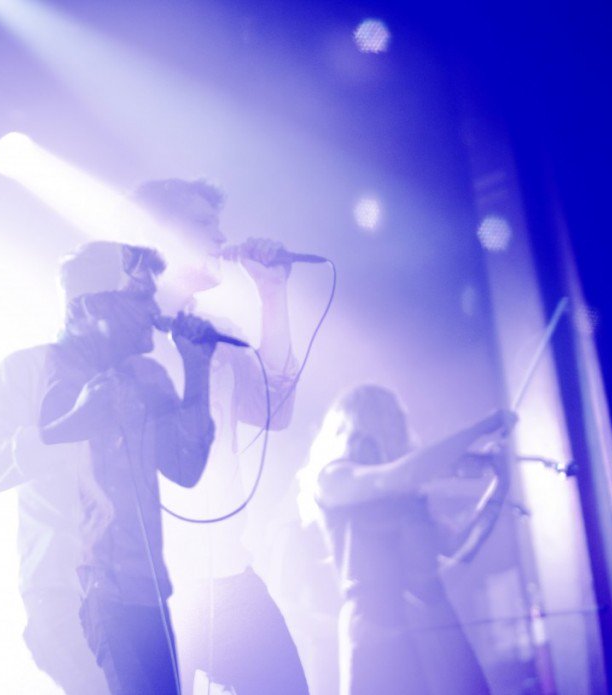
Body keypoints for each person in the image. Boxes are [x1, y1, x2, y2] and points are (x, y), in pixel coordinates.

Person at [0, 240, 216, 695]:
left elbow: (185, 467)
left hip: (146, 595)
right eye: (138, 295)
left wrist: (197, 371)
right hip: (68, 595)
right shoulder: (25, 370)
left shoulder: (148, 377)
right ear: (87, 308)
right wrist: (68, 426)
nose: (152, 309)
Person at [132, 179, 309, 694]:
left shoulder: (216, 327)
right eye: (202, 223)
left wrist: (272, 294)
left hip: (228, 574)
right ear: (155, 234)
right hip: (150, 582)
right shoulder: (122, 333)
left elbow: (276, 412)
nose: (220, 236)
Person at [301, 384, 516, 694]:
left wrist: (499, 488)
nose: (399, 427)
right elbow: (397, 476)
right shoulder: (333, 478)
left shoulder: (405, 491)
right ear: (360, 423)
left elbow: (458, 547)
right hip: (378, 626)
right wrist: (479, 428)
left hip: (433, 622)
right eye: (389, 419)